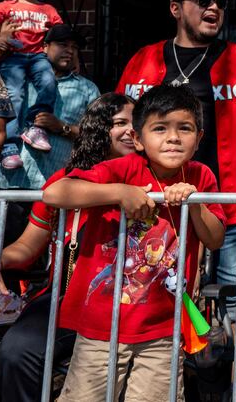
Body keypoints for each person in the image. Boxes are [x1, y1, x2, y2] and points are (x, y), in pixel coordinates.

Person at [116, 0, 236, 348]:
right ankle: (173, 367)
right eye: (203, 0)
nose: (213, 7)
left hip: (227, 203)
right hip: (158, 205)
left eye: (219, 2)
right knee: (157, 290)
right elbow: (122, 122)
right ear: (176, 9)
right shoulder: (144, 60)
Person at [43, 85, 226, 402]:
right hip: (103, 322)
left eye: (184, 128)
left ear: (199, 138)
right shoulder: (123, 168)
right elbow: (54, 193)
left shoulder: (201, 175)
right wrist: (119, 192)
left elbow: (215, 238)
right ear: (138, 139)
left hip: (163, 327)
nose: (173, 138)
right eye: (160, 128)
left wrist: (194, 203)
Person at [0, 93, 135, 402]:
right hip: (68, 296)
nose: (130, 130)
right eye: (120, 123)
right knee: (16, 352)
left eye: (136, 123)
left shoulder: (154, 180)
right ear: (100, 129)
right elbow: (27, 247)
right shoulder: (64, 183)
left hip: (134, 304)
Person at [0, 24, 100, 189]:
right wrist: (0, 43)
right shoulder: (17, 81)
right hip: (7, 184)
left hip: (53, 187)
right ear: (44, 47)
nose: (70, 51)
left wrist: (62, 127)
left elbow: (98, 136)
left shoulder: (88, 89)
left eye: (74, 47)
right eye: (63, 45)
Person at [0, 0, 63, 169]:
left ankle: (35, 127)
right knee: (14, 94)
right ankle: (9, 147)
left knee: (49, 82)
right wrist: (0, 40)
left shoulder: (48, 9)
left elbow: (60, 36)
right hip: (13, 56)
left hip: (38, 56)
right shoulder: (3, 7)